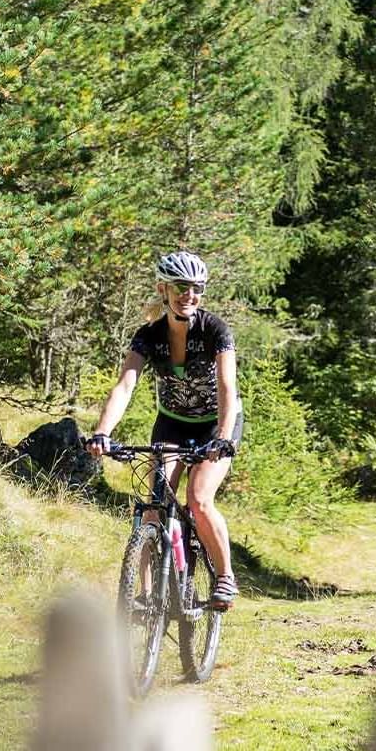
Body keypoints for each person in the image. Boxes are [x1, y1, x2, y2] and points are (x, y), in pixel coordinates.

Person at [87, 250, 242, 609]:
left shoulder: (215, 330)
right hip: (172, 422)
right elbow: (125, 385)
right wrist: (102, 433)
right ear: (163, 288)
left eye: (197, 288)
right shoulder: (148, 335)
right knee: (154, 505)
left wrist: (222, 436)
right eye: (181, 287)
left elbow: (227, 388)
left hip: (217, 423)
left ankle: (224, 577)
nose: (189, 295)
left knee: (199, 499)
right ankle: (142, 595)